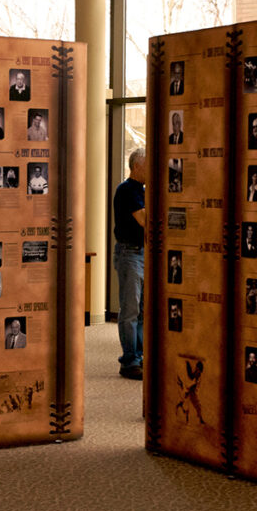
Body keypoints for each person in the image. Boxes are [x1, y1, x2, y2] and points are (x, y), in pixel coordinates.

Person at [113, 148, 146, 380]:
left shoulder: (142, 190)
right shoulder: (127, 190)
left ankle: (140, 356)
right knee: (130, 310)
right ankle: (130, 361)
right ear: (136, 166)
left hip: (143, 253)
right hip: (130, 254)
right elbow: (145, 220)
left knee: (143, 310)